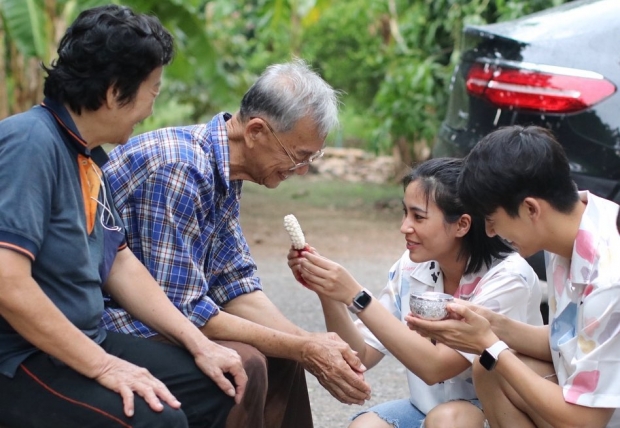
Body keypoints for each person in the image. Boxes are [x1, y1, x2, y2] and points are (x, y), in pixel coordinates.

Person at [0, 5, 247, 428]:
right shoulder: (30, 143)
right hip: (22, 356)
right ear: (115, 92)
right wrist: (104, 366)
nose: (152, 107)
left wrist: (196, 341)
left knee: (213, 383)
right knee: (159, 419)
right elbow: (7, 281)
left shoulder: (88, 155)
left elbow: (120, 262)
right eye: (153, 91)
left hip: (82, 340)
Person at [101, 59, 372, 428]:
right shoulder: (180, 168)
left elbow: (236, 284)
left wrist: (308, 343)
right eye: (299, 156)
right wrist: (302, 346)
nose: (302, 170)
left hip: (167, 314)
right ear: (257, 131)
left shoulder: (224, 169)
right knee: (247, 363)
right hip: (114, 319)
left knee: (286, 356)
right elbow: (185, 313)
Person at [287, 157, 543, 428]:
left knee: (448, 421)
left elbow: (436, 367)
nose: (404, 226)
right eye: (405, 213)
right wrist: (329, 291)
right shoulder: (412, 267)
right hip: (427, 409)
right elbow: (360, 354)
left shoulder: (507, 278)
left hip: (498, 413)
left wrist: (356, 295)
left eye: (418, 217)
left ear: (462, 225)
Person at [406, 125, 620, 427]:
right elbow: (573, 339)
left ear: (531, 208)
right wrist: (490, 325)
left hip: (597, 415)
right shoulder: (574, 225)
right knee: (489, 367)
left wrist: (490, 344)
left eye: (492, 220)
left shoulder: (609, 278)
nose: (491, 232)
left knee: (494, 360)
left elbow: (584, 422)